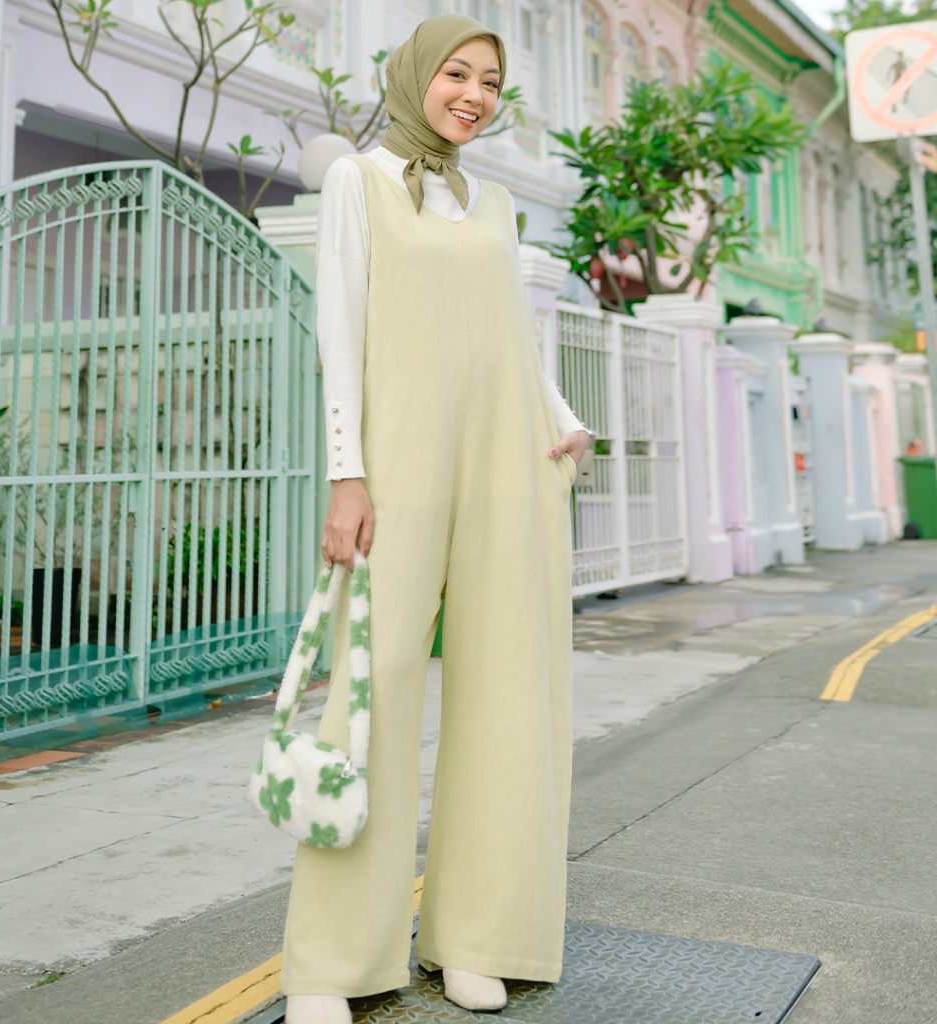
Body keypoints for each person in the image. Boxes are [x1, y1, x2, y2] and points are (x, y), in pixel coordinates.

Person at [281, 15, 588, 1024]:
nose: (474, 95)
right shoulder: (359, 181)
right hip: (396, 470)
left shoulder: (493, 203)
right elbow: (339, 332)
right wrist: (347, 475)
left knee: (508, 698)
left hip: (508, 465)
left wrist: (560, 417)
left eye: (490, 81)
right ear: (416, 75)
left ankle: (477, 937)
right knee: (367, 697)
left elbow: (512, 340)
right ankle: (332, 963)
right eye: (457, 73)